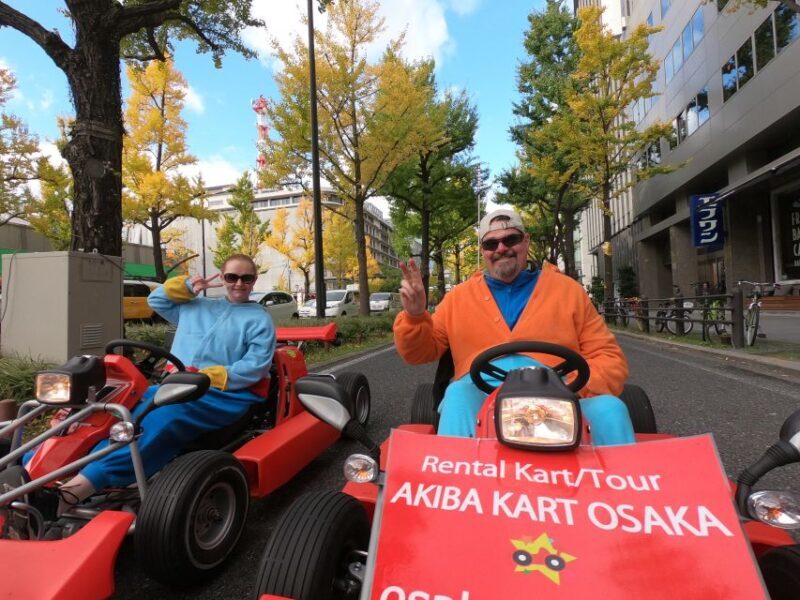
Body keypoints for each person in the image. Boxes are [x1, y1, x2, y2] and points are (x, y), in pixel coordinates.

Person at [52, 254, 276, 513]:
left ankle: (78, 488)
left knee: (163, 416)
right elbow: (156, 300)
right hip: (176, 385)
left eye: (246, 278)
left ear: (254, 281)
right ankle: (47, 468)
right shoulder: (196, 305)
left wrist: (208, 376)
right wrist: (188, 286)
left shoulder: (259, 319)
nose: (239, 283)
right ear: (222, 278)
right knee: (116, 406)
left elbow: (256, 366)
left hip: (225, 393)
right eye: (232, 277)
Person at [394, 209, 634, 445]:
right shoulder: (458, 298)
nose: (501, 248)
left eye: (511, 239)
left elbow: (609, 357)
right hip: (480, 393)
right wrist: (415, 316)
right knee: (457, 395)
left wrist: (570, 386)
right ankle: (453, 481)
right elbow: (418, 353)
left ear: (526, 241)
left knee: (611, 409)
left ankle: (618, 482)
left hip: (561, 391)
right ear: (483, 251)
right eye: (491, 244)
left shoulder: (569, 291)